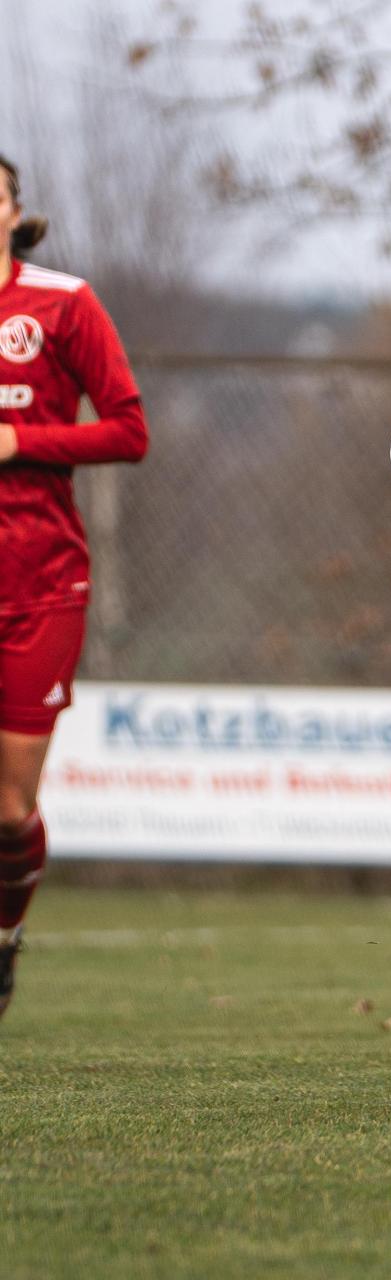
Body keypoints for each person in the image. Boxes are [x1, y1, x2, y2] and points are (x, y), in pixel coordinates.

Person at [0, 154, 149, 1022]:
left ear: (17, 213)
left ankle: (6, 935)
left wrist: (26, 444)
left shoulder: (62, 304)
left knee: (10, 813)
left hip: (40, 583)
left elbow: (129, 431)